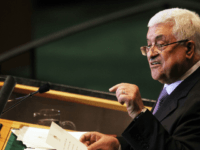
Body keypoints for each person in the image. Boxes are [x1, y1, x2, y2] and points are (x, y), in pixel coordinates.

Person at [79, 8, 200, 150]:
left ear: (189, 48)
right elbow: (161, 140)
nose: (151, 54)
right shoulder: (174, 83)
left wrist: (139, 113)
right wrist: (118, 145)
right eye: (149, 45)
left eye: (160, 44)